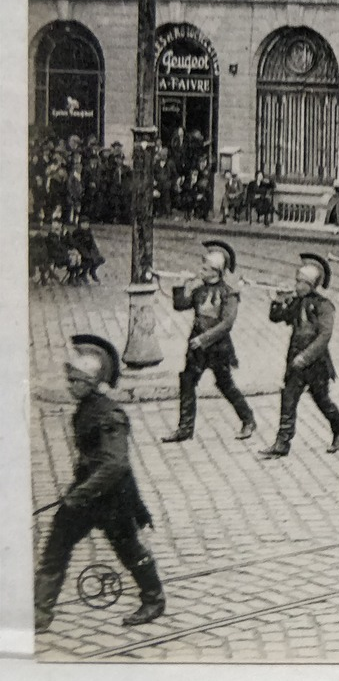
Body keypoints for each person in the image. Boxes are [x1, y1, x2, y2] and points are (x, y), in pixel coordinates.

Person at [34, 335, 166, 633]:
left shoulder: (109, 415)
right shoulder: (85, 408)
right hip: (86, 495)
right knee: (56, 546)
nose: (70, 386)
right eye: (70, 380)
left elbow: (116, 464)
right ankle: (40, 613)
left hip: (113, 498)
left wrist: (80, 493)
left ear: (91, 382)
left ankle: (154, 599)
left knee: (129, 549)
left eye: (76, 381)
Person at [162, 239, 256, 443]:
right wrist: (183, 286)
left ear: (216, 271)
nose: (201, 271)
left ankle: (248, 419)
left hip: (218, 347)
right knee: (187, 381)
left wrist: (203, 339)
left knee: (225, 384)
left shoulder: (229, 293)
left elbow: (226, 323)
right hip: (196, 346)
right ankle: (185, 429)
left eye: (205, 268)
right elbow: (181, 306)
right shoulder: (199, 288)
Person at [260, 253, 339, 459]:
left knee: (322, 400)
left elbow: (324, 336)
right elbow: (276, 318)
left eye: (302, 283)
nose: (297, 286)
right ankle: (283, 441)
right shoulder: (296, 302)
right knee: (288, 397)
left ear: (312, 285)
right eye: (297, 281)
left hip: (316, 361)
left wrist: (306, 357)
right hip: (295, 356)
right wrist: (277, 301)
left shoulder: (324, 306)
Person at [70, 218, 104, 283]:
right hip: (80, 254)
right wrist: (87, 254)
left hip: (89, 252)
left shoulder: (89, 233)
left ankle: (92, 271)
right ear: (80, 224)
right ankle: (83, 275)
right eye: (84, 223)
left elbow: (93, 244)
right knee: (88, 260)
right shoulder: (77, 233)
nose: (86, 225)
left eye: (87, 223)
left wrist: (95, 253)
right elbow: (77, 245)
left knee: (100, 259)